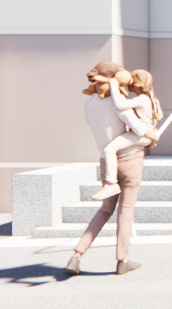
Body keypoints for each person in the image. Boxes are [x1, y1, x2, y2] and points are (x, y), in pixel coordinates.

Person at [67, 62, 158, 276]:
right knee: (125, 212)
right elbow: (139, 128)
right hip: (130, 159)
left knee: (104, 211)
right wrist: (154, 137)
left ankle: (76, 255)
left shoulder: (89, 105)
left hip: (106, 161)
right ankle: (122, 260)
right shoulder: (119, 105)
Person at [90, 70, 161, 201]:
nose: (128, 85)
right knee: (110, 149)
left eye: (131, 82)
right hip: (146, 133)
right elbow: (159, 115)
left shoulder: (142, 99)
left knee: (109, 149)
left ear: (137, 85)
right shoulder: (151, 98)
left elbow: (119, 104)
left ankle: (111, 183)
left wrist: (114, 85)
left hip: (140, 134)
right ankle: (110, 183)